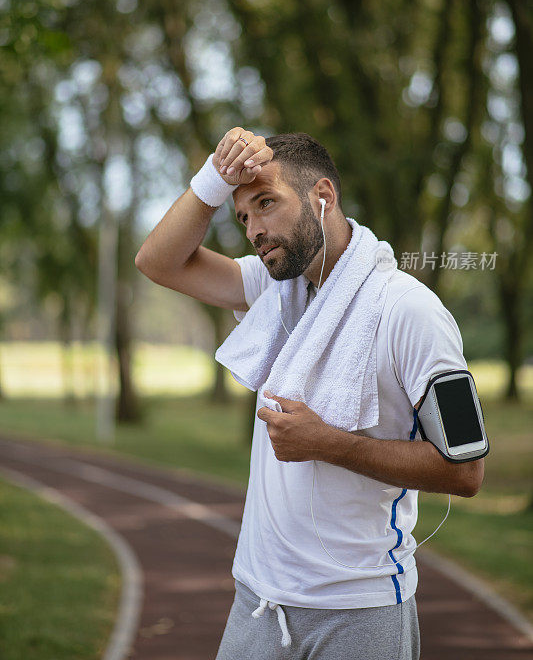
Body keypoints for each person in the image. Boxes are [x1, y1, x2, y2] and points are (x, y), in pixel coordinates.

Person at [135, 127, 484, 660]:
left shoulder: (413, 313)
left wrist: (328, 442)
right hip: (257, 600)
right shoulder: (276, 287)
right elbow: (157, 262)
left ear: (323, 197)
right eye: (243, 217)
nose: (253, 230)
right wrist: (215, 177)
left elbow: (466, 470)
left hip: (359, 612)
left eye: (266, 203)